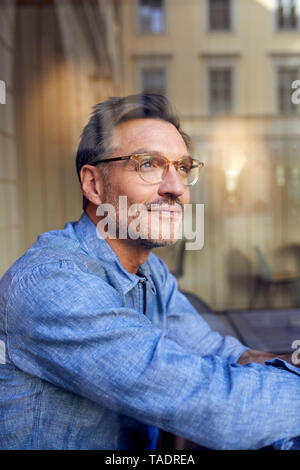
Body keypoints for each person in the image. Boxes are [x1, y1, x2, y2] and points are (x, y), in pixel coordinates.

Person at [0, 92, 300, 451]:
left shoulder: (150, 271)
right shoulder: (52, 284)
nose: (176, 188)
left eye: (183, 167)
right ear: (94, 185)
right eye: (148, 164)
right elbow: (215, 406)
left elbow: (217, 352)